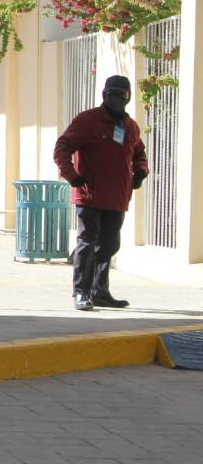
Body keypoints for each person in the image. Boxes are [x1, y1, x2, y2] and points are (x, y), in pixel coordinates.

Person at [54, 75, 148, 311]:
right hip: (90, 195)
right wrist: (72, 175)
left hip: (117, 197)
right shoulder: (88, 120)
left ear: (128, 98)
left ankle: (99, 291)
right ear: (104, 95)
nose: (116, 99)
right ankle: (81, 292)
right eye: (112, 94)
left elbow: (139, 153)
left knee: (109, 245)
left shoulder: (130, 126)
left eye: (122, 95)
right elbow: (62, 147)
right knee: (87, 243)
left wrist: (140, 172)